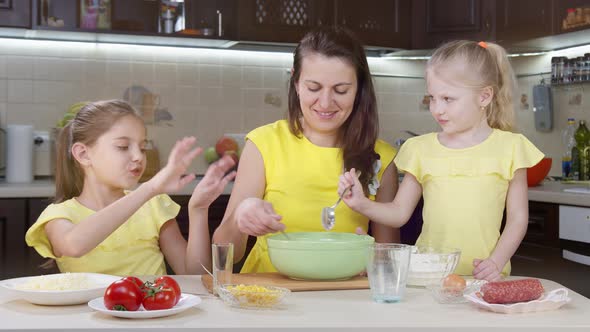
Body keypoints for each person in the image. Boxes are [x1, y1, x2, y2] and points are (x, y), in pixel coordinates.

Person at [339, 40, 544, 281]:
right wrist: (362, 204)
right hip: (429, 276)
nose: (437, 109)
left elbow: (518, 219)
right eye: (432, 98)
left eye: (448, 99)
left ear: (484, 96)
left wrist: (496, 261)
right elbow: (399, 212)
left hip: (485, 278)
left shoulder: (510, 148)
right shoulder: (420, 149)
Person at [212, 27, 399, 273]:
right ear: (296, 82)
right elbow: (226, 253)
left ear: (359, 88)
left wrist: (372, 265)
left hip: (345, 301)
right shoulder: (264, 144)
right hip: (268, 297)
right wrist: (241, 215)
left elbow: (390, 263)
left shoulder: (382, 159)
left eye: (341, 90)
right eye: (313, 88)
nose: (325, 103)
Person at [25, 100, 236, 276]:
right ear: (83, 154)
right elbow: (74, 246)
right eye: (123, 147)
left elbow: (195, 278)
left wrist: (198, 210)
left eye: (142, 147)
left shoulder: (154, 205)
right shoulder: (59, 215)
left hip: (153, 320)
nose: (138, 156)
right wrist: (150, 188)